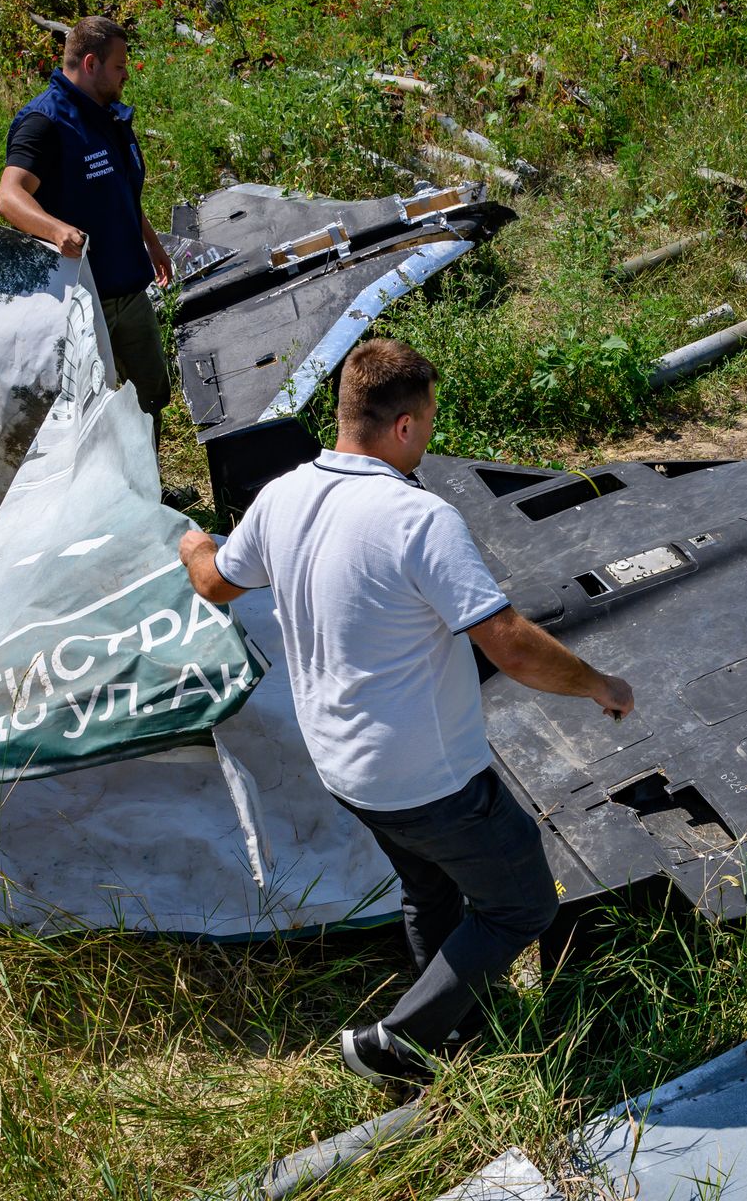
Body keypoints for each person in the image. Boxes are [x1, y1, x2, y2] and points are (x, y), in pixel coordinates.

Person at [177, 338, 635, 1087]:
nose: (428, 434)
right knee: (521, 906)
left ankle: (457, 1028)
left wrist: (195, 542)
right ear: (403, 428)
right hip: (428, 778)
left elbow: (215, 583)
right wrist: (600, 685)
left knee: (428, 888)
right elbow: (511, 646)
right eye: (427, 421)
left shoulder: (282, 497)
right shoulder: (418, 518)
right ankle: (396, 1044)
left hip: (340, 763)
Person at [0, 16, 176, 445]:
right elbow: (9, 195)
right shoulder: (46, 122)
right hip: (81, 301)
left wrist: (151, 244)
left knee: (151, 395)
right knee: (90, 416)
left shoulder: (108, 117)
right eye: (119, 65)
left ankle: (148, 494)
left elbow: (121, 192)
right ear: (91, 62)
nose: (126, 74)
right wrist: (56, 230)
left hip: (129, 289)